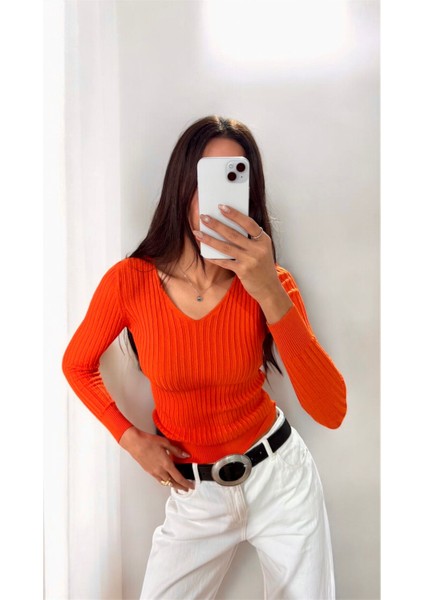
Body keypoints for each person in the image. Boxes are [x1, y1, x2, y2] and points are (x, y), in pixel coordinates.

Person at [62, 115, 347, 600]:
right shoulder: (129, 282)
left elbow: (331, 410)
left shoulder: (273, 284)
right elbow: (77, 363)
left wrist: (268, 291)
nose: (218, 200)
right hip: (196, 494)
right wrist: (131, 439)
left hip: (280, 478)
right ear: (181, 187)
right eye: (205, 180)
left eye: (233, 179)